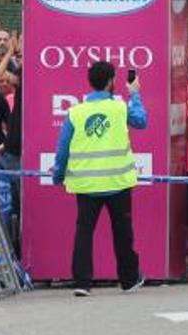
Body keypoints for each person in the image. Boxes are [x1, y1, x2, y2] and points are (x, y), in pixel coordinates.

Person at [52, 61, 146, 297]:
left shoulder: (75, 111)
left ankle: (82, 282)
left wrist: (58, 175)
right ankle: (129, 279)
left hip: (86, 183)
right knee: (123, 232)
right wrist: (135, 94)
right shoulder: (120, 106)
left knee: (84, 232)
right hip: (117, 182)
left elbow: (62, 148)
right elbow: (141, 121)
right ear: (112, 81)